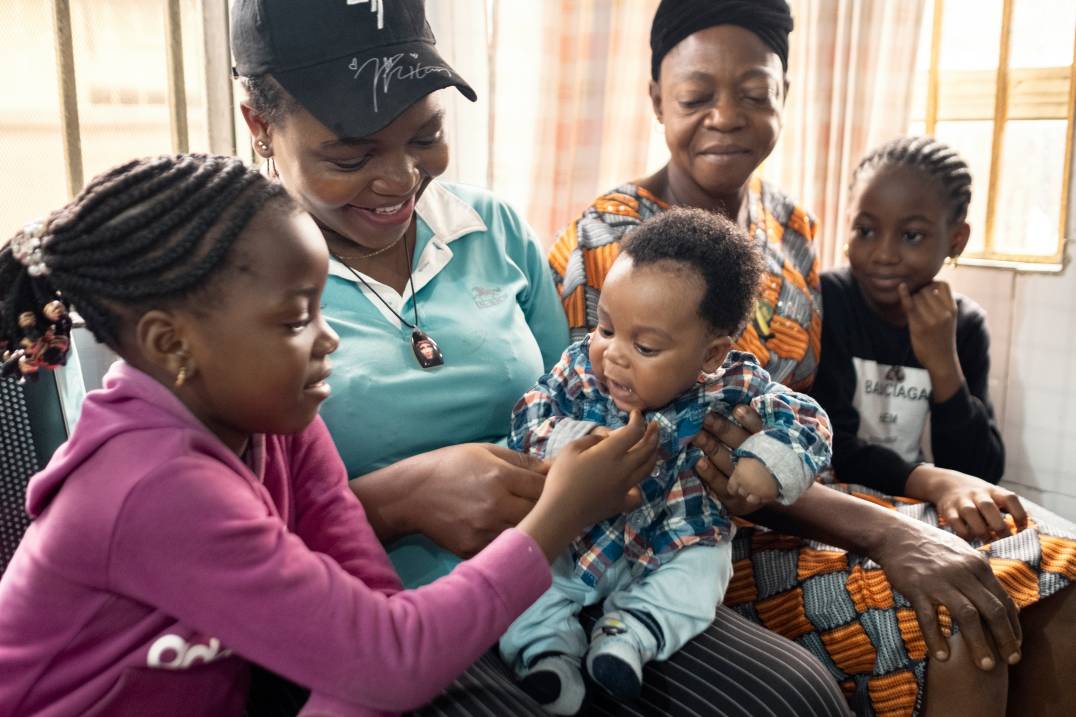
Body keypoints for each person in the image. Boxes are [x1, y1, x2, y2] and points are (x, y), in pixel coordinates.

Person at [232, 1, 851, 715]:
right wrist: (396, 502)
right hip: (380, 603)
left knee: (793, 695)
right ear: (260, 126)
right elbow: (217, 539)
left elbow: (589, 392)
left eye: (427, 135)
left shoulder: (490, 230)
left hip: (576, 567)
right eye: (351, 156)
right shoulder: (236, 289)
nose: (401, 177)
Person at [548, 1, 1076, 715]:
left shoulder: (789, 227)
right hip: (684, 536)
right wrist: (889, 533)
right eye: (697, 96)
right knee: (954, 619)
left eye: (754, 93)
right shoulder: (616, 238)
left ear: (785, 96)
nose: (726, 116)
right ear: (656, 100)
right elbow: (649, 451)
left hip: (809, 499)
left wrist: (917, 492)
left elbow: (813, 415)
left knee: (1061, 571)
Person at [0, 154, 661, 717]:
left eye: (322, 306)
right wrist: (558, 514)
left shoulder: (277, 421)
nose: (330, 339)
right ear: (172, 344)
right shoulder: (153, 486)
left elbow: (371, 613)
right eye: (297, 320)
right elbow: (394, 658)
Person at [500, 208, 832, 715]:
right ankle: (546, 654)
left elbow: (809, 422)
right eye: (605, 328)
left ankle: (630, 635)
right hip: (579, 531)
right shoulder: (579, 370)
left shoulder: (735, 385)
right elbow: (531, 412)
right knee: (530, 566)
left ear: (710, 355)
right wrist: (569, 441)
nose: (613, 355)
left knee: (703, 572)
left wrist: (767, 462)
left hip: (675, 537)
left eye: (645, 346)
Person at [813, 136, 1025, 541]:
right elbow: (828, 445)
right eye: (865, 230)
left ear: (956, 240)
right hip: (832, 503)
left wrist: (944, 363)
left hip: (915, 500)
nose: (883, 254)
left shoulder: (963, 324)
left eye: (911, 235)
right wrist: (932, 482)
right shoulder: (825, 301)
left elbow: (978, 471)